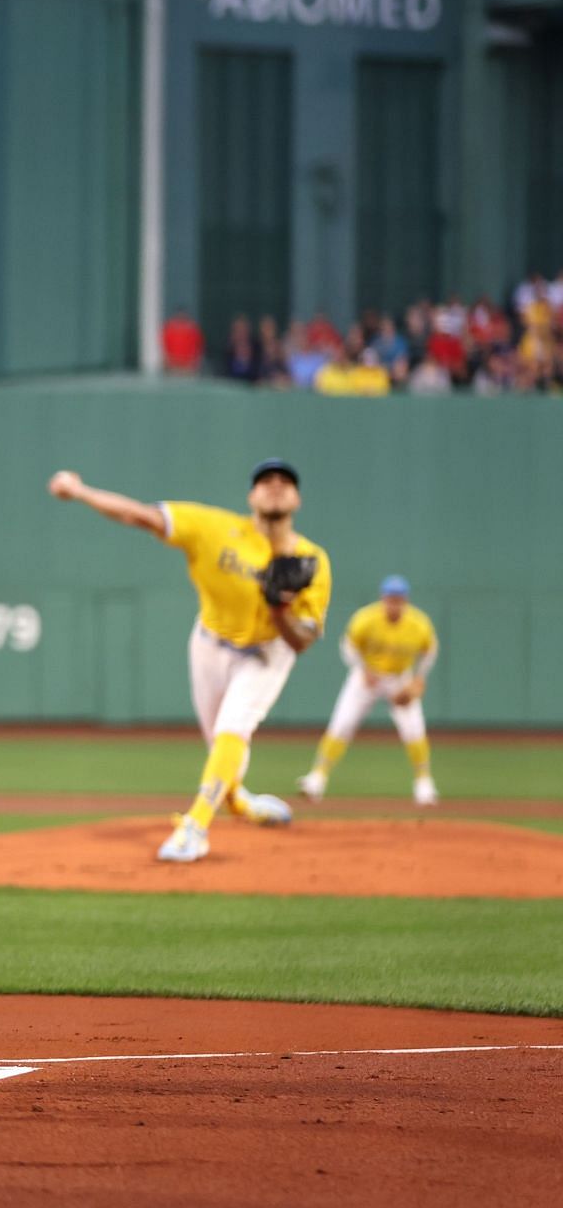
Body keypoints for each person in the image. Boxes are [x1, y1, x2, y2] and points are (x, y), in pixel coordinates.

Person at [47, 460, 331, 862]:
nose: (275, 487)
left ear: (297, 499)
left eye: (285, 482)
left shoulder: (312, 559)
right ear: (251, 496)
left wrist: (279, 610)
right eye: (266, 481)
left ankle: (195, 826)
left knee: (234, 729)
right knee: (219, 743)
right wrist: (80, 492)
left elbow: (302, 642)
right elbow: (139, 516)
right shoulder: (215, 528)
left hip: (268, 651)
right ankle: (239, 802)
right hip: (210, 644)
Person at [298, 576, 439, 807]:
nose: (394, 603)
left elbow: (430, 650)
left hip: (399, 678)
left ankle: (424, 784)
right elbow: (348, 645)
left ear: (405, 600)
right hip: (366, 677)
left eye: (398, 598)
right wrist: (362, 668)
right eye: (390, 598)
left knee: (414, 729)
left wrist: (419, 678)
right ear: (383, 598)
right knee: (342, 723)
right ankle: (317, 778)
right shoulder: (366, 618)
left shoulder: (419, 623)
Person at [161, 308, 205, 374]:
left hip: (188, 364)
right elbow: (165, 344)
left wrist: (195, 359)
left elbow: (199, 344)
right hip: (174, 363)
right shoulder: (170, 328)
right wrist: (167, 359)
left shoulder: (192, 328)